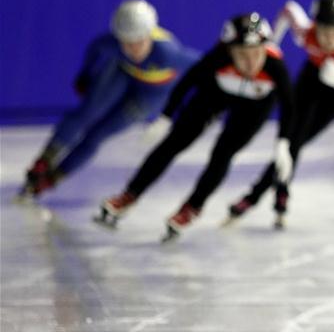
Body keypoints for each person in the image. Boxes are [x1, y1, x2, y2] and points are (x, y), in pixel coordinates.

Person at [95, 13, 294, 241]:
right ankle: (130, 194)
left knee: (223, 153)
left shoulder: (275, 67)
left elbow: (290, 106)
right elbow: (186, 82)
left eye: (257, 54)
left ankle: (193, 206)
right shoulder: (218, 58)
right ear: (229, 51)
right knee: (174, 141)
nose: (251, 63)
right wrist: (166, 118)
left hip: (256, 106)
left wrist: (283, 142)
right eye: (243, 55)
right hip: (217, 93)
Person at [226, 0, 334, 229]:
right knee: (290, 139)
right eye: (324, 30)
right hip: (312, 76)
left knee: (297, 141)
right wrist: (271, 42)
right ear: (315, 25)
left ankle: (257, 196)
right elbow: (288, 9)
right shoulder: (305, 32)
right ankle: (277, 195)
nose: (329, 39)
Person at [18, 0, 199, 199]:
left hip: (153, 94)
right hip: (124, 73)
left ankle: (54, 177)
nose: (133, 49)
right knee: (87, 112)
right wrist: (85, 76)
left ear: (149, 34)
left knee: (97, 135)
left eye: (139, 42)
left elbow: (205, 68)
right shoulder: (111, 43)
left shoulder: (167, 53)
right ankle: (45, 159)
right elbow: (95, 50)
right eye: (126, 42)